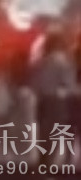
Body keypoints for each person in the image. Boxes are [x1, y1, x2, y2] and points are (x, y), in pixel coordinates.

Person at [31, 33, 76, 166]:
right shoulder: (63, 61)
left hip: (42, 100)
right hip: (56, 101)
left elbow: (35, 82)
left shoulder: (42, 61)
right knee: (54, 131)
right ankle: (49, 163)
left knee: (43, 132)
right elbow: (68, 83)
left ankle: (42, 160)